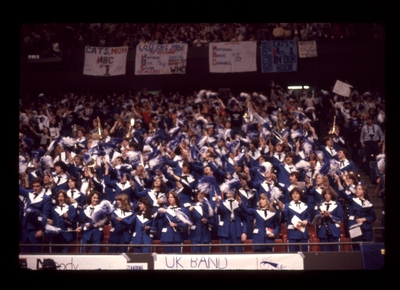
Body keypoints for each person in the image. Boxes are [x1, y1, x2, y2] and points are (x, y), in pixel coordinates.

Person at [19, 177, 53, 253]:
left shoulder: (46, 198)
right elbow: (20, 190)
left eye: (37, 186)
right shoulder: (30, 193)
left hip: (35, 229)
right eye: (34, 186)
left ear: (42, 186)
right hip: (25, 228)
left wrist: (41, 230)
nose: (35, 188)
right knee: (25, 254)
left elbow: (45, 215)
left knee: (36, 253)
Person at [281, 187, 310, 253]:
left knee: (304, 255)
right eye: (293, 193)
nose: (295, 195)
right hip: (293, 234)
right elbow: (284, 218)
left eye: (297, 193)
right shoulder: (287, 206)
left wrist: (307, 220)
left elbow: (309, 217)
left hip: (303, 233)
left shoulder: (305, 205)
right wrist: (282, 210)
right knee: (293, 255)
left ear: (300, 195)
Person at [314, 187, 343, 252]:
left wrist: (330, 216)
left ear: (332, 195)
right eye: (325, 194)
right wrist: (323, 216)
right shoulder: (319, 205)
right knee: (325, 254)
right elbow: (316, 220)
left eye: (329, 194)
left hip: (334, 231)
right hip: (322, 231)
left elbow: (339, 219)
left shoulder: (337, 204)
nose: (327, 195)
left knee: (335, 254)